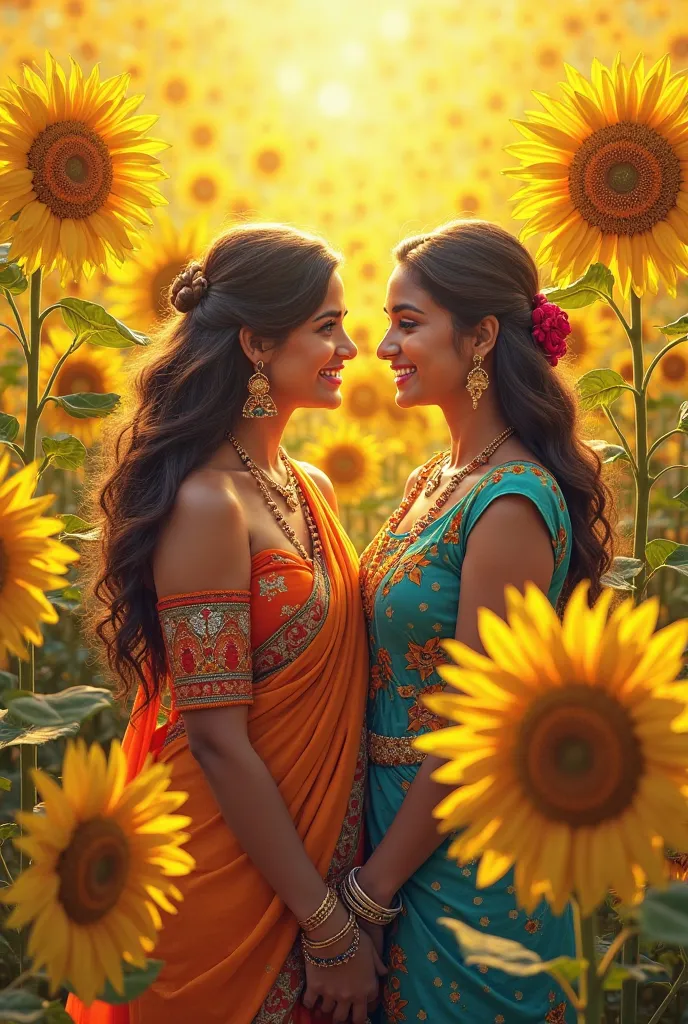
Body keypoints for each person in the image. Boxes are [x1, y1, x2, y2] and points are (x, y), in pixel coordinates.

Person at [66, 224, 383, 1024]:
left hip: (316, 865)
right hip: (226, 877)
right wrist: (327, 927)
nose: (349, 344)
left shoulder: (308, 485)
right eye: (326, 326)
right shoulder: (207, 505)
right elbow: (214, 739)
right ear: (256, 343)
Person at [355, 220, 614, 1023]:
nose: (383, 346)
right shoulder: (440, 475)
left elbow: (478, 730)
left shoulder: (510, 501)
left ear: (481, 337)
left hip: (462, 863)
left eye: (407, 322)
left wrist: (370, 893)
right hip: (394, 828)